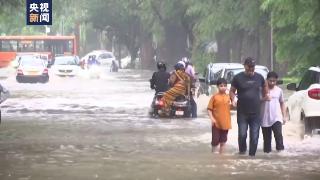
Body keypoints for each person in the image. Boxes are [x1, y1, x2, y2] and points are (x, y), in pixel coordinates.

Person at [229, 57, 268, 156]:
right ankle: (242, 153)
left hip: (256, 113)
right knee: (242, 135)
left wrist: (265, 96)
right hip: (242, 113)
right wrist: (233, 99)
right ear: (244, 66)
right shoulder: (238, 78)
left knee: (254, 138)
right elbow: (232, 91)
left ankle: (251, 158)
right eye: (249, 67)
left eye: (252, 67)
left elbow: (265, 88)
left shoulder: (259, 77)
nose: (251, 69)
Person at [261, 71, 286, 153]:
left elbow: (282, 103)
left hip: (276, 118)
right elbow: (257, 102)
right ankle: (268, 159)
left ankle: (281, 155)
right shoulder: (262, 90)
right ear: (267, 80)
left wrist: (284, 116)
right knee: (267, 141)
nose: (272, 83)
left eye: (274, 81)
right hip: (265, 118)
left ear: (276, 81)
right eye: (270, 81)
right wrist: (264, 98)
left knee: (278, 136)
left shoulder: (279, 90)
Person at [207, 78, 231, 154]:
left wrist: (234, 103)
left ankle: (221, 157)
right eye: (221, 86)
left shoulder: (228, 97)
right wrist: (212, 118)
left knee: (223, 141)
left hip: (226, 123)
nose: (223, 87)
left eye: (224, 86)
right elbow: (209, 109)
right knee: (215, 141)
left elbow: (232, 106)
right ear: (217, 87)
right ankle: (213, 156)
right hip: (216, 123)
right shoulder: (214, 97)